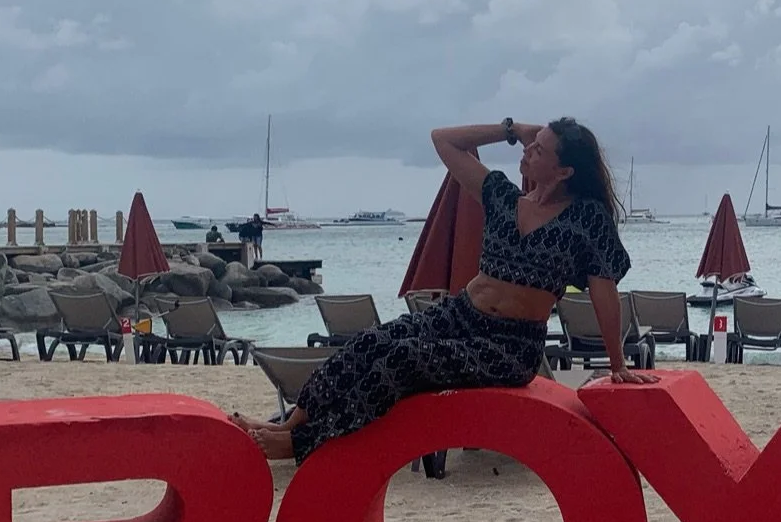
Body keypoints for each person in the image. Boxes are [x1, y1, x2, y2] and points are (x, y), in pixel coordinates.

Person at [237, 117, 653, 461]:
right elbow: (444, 141)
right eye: (532, 144)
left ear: (564, 172)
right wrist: (513, 129)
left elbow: (603, 290)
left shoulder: (587, 219)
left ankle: (299, 444)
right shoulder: (503, 196)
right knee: (369, 343)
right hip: (460, 314)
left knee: (402, 359)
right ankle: (291, 422)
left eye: (540, 150)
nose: (529, 151)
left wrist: (617, 362)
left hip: (509, 346)